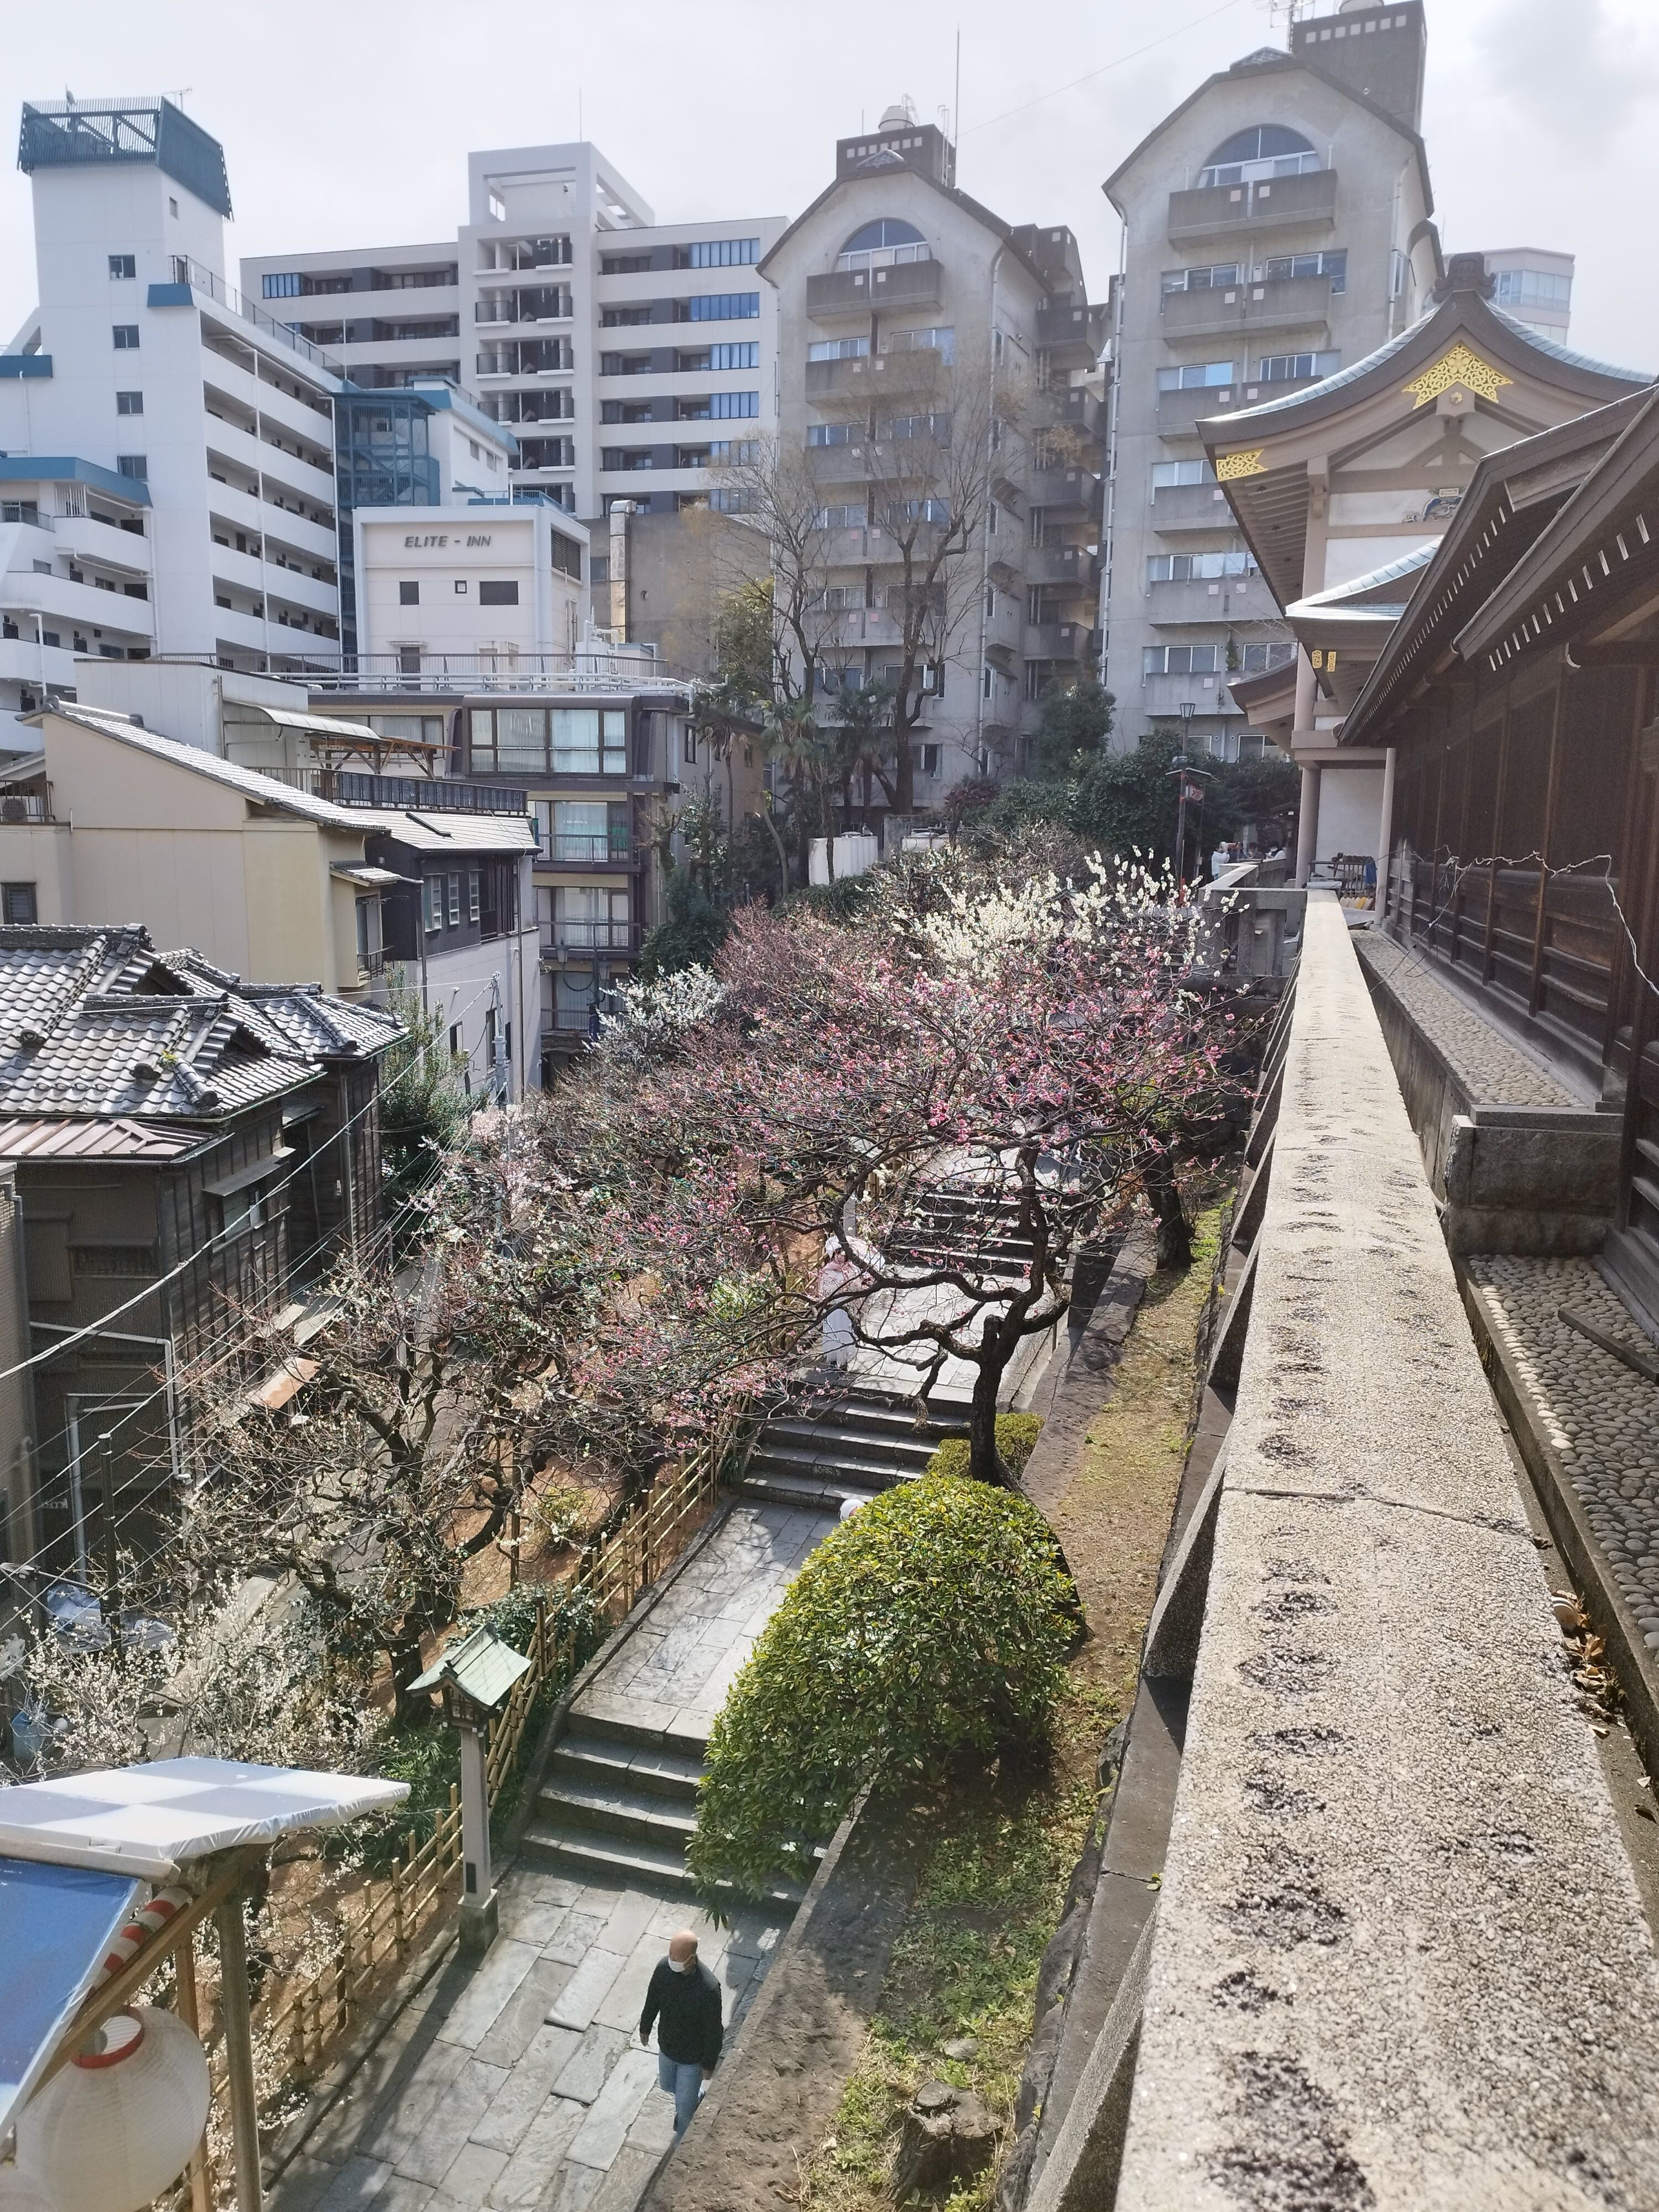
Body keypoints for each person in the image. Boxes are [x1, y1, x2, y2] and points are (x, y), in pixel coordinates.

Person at [640, 1928, 723, 2140]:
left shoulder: (708, 1989)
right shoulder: (663, 1969)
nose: (671, 1959)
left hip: (692, 2059)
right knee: (668, 2086)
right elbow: (652, 2000)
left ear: (691, 1959)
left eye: (677, 1956)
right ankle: (696, 2094)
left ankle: (682, 2144)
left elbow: (714, 2031)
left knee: (684, 2111)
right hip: (667, 2048)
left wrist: (708, 2064)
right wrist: (645, 2027)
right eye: (670, 1953)